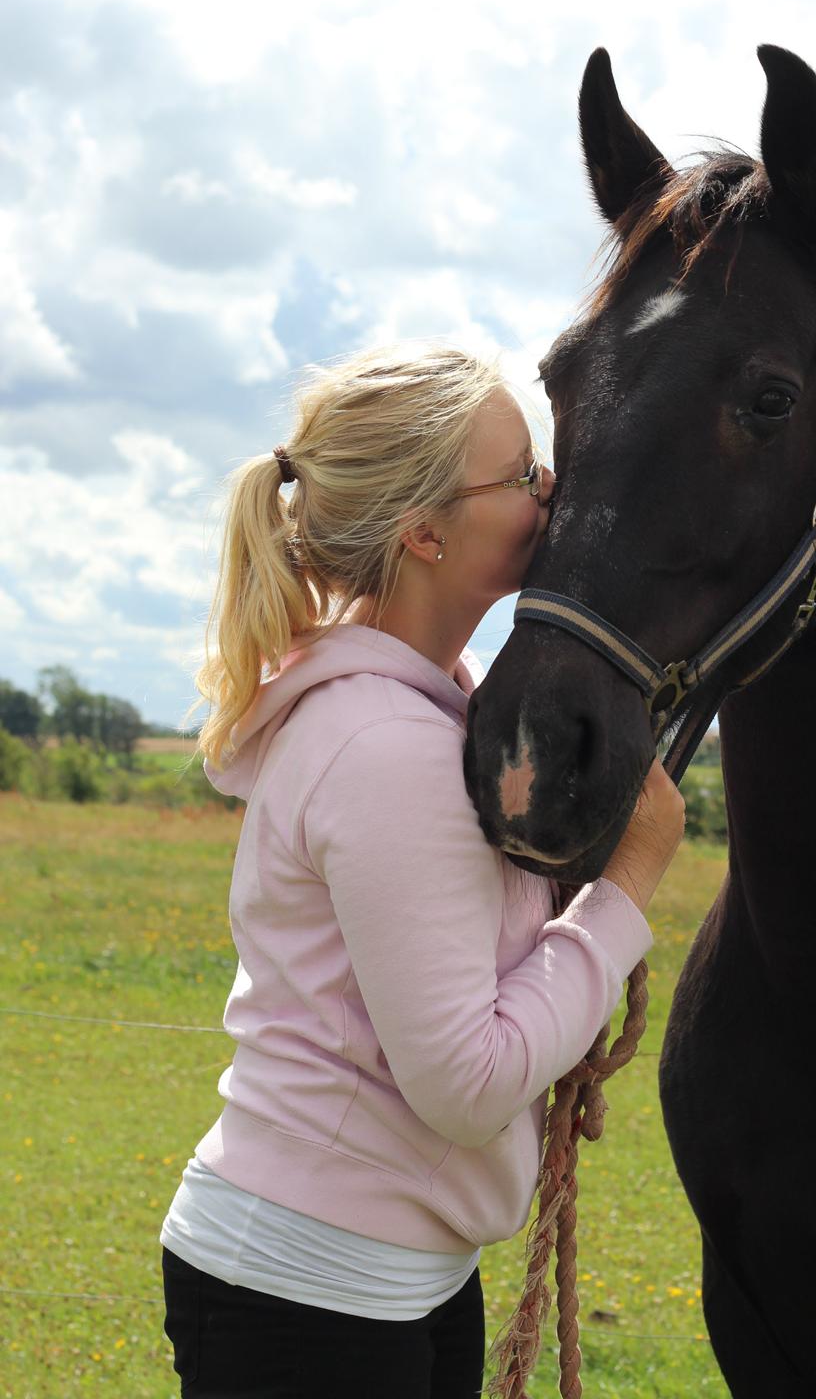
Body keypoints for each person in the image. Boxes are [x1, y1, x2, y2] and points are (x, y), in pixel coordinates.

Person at [160, 344, 685, 1398]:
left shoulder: (428, 708)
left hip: (382, 1276)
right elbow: (465, 1081)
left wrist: (554, 1043)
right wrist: (625, 884)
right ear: (425, 530)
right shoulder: (388, 749)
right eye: (524, 476)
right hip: (311, 1293)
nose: (552, 498)